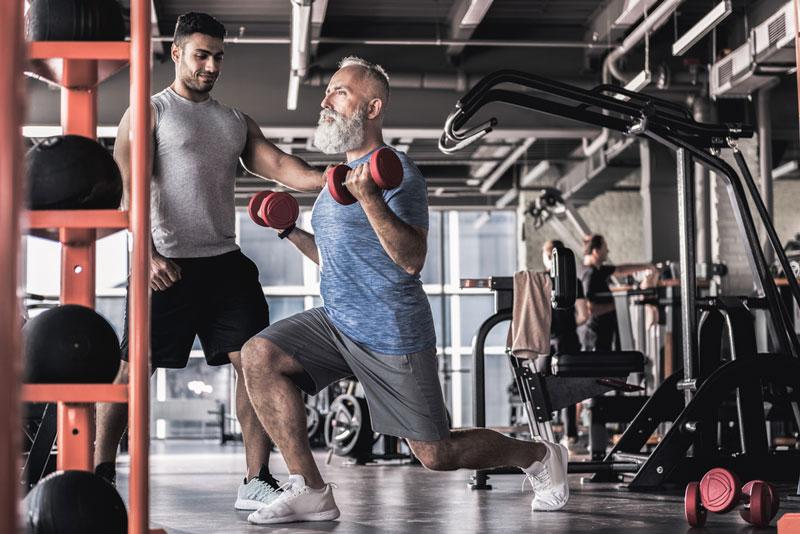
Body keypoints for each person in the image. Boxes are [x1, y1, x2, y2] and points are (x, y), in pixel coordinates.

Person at [239, 56, 570, 525]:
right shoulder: (337, 182)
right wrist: (289, 230)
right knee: (258, 355)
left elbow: (411, 256)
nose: (326, 100)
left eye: (340, 92)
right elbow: (337, 258)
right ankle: (310, 489)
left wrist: (372, 197)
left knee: (435, 454)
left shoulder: (399, 174)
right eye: (328, 90)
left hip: (390, 331)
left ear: (371, 108)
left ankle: (538, 455)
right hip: (336, 322)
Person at [94, 12, 325, 511]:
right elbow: (126, 192)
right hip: (165, 266)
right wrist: (147, 252)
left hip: (225, 266)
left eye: (218, 56)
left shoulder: (233, 120)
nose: (211, 65)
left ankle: (256, 478)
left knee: (256, 368)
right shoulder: (148, 112)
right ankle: (101, 473)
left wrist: (332, 179)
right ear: (176, 53)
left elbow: (282, 165)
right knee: (132, 371)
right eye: (201, 55)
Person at [541, 239, 588, 454]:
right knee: (568, 389)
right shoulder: (574, 281)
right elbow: (583, 315)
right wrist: (566, 325)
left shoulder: (539, 281)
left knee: (541, 388)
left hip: (546, 341)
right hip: (566, 340)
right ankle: (570, 437)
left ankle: (543, 437)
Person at [577, 234, 655, 352]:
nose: (608, 251)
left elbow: (620, 270)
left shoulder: (598, 270)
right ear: (596, 251)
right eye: (605, 248)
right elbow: (591, 309)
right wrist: (618, 305)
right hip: (593, 336)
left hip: (599, 333)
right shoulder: (589, 274)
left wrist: (647, 267)